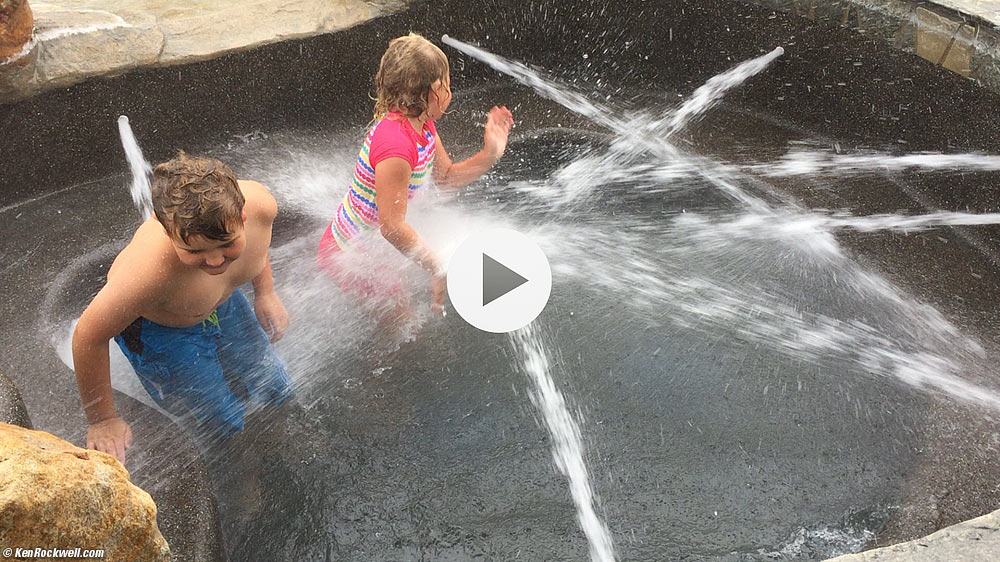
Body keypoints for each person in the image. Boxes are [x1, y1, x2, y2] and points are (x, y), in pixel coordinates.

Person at [72, 152, 293, 463]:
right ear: (166, 229)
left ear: (243, 215)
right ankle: (237, 461)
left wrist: (265, 292)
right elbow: (87, 336)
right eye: (194, 251)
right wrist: (102, 419)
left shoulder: (261, 206)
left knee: (274, 384)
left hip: (223, 304)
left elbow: (259, 244)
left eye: (227, 244)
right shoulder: (147, 273)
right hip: (160, 329)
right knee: (220, 419)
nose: (214, 260)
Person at [317, 33, 514, 316]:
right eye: (448, 84)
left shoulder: (422, 124)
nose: (450, 91)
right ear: (436, 90)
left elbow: (445, 179)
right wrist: (438, 268)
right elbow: (392, 227)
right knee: (400, 320)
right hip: (350, 254)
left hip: (373, 245)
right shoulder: (396, 147)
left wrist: (490, 154)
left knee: (403, 309)